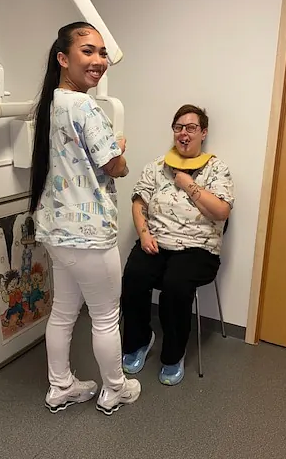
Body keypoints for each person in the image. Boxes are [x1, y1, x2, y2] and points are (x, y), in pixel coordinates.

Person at [29, 21, 141, 415]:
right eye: (88, 51)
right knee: (106, 317)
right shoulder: (84, 106)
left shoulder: (51, 104)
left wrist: (111, 149)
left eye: (102, 52)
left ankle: (61, 386)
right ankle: (116, 389)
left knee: (63, 313)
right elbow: (114, 166)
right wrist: (119, 150)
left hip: (56, 230)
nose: (98, 60)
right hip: (89, 233)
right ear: (63, 58)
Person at [120, 104, 235, 386]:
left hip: (198, 249)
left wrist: (188, 185)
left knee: (175, 284)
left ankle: (173, 355)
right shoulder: (157, 166)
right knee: (134, 275)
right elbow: (138, 203)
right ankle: (139, 340)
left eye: (191, 128)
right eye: (178, 127)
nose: (184, 133)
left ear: (203, 133)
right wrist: (144, 234)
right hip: (157, 242)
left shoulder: (216, 168)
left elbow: (222, 211)